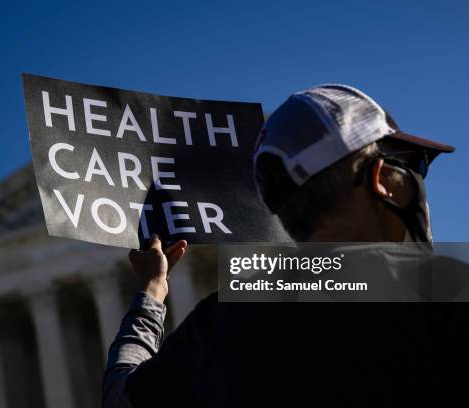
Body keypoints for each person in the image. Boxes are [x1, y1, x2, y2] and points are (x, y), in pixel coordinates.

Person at [102, 84, 463, 407]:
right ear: (382, 178)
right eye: (414, 165)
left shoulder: (221, 322)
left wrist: (150, 295)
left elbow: (122, 397)